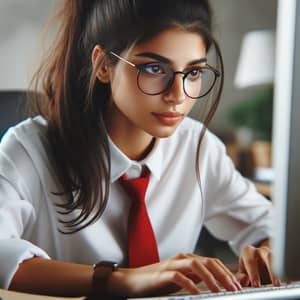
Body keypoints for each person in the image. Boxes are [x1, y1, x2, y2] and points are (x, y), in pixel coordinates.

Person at [0, 0, 278, 298]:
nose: (177, 95)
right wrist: (122, 280)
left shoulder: (198, 147)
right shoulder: (29, 149)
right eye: (154, 68)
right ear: (103, 65)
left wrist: (267, 252)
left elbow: (270, 229)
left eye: (193, 73)